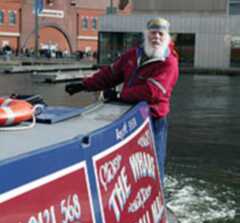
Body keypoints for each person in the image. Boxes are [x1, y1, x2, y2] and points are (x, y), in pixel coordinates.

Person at [65, 17, 179, 184]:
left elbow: (153, 92)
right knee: (131, 162)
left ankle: (157, 193)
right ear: (146, 35)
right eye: (153, 33)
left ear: (167, 37)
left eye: (161, 34)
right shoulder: (133, 55)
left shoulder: (169, 62)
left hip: (152, 120)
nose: (156, 37)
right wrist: (84, 85)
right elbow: (110, 74)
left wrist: (120, 95)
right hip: (128, 117)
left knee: (154, 160)